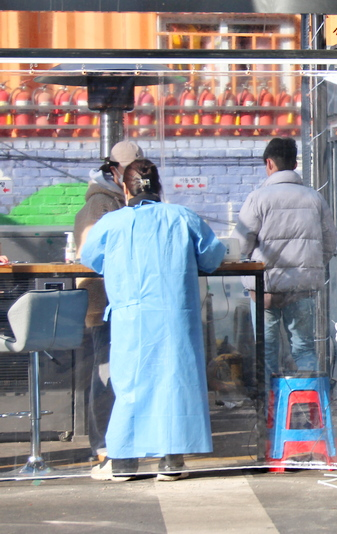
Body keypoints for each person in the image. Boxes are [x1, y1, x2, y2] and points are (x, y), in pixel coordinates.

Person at [81, 158, 226, 481]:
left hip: (131, 318)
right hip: (175, 316)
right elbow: (213, 256)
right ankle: (171, 461)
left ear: (124, 187)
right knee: (173, 383)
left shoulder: (112, 223)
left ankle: (123, 462)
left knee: (130, 384)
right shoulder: (182, 217)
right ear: (159, 187)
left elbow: (91, 258)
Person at [234, 138, 337, 378]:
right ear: (294, 163)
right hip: (303, 288)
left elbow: (240, 243)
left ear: (269, 163)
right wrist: (311, 266)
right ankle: (312, 406)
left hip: (266, 289)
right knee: (304, 349)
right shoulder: (314, 199)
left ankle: (272, 409)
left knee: (267, 351)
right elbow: (329, 242)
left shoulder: (257, 198)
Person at [73, 140, 142, 462]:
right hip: (103, 303)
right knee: (106, 373)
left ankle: (111, 441)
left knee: (111, 371)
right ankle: (103, 443)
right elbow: (92, 255)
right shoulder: (102, 205)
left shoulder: (114, 202)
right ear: (115, 172)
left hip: (114, 302)